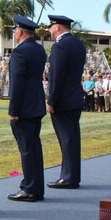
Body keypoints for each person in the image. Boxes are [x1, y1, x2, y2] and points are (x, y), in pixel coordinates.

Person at [6, 16, 47, 202]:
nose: (15, 33)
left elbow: (17, 84)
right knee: (34, 147)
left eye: (15, 30)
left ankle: (29, 188)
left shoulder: (19, 52)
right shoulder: (39, 50)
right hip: (36, 104)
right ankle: (36, 187)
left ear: (20, 31)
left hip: (24, 108)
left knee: (26, 149)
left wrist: (13, 110)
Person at [46, 15, 86, 189]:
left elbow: (56, 76)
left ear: (58, 27)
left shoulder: (60, 46)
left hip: (63, 100)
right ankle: (71, 175)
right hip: (75, 97)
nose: (49, 30)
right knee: (72, 139)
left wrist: (51, 100)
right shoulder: (78, 44)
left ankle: (68, 177)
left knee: (67, 140)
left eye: (51, 26)